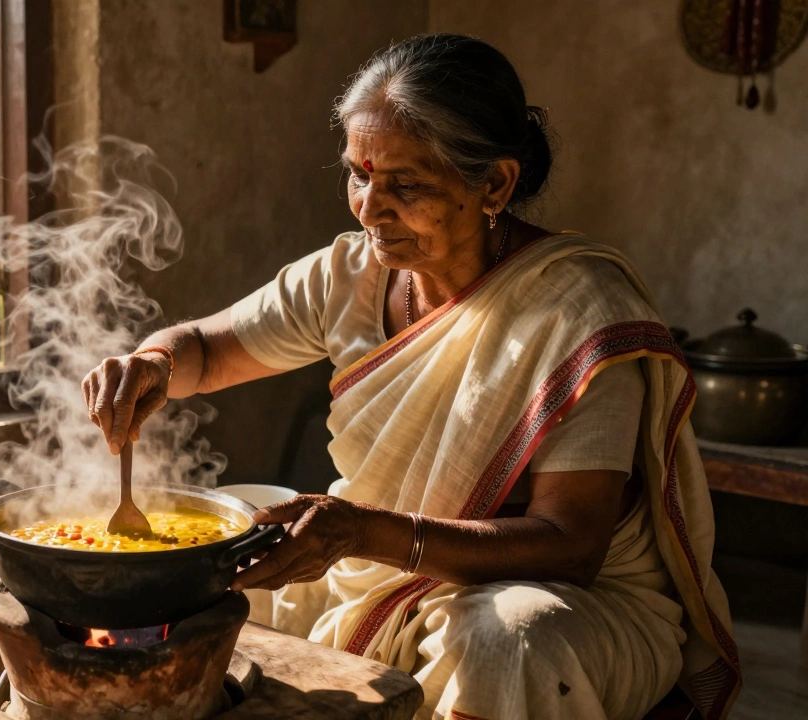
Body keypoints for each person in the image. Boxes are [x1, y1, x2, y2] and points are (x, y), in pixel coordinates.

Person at [82, 34, 740, 720]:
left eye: (405, 185)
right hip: (381, 572)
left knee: (505, 642)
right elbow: (207, 351)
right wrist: (152, 364)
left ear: (494, 184)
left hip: (566, 597)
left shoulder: (578, 312)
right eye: (358, 175)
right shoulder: (350, 277)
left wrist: (363, 533)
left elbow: (571, 545)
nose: (368, 207)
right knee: (205, 586)